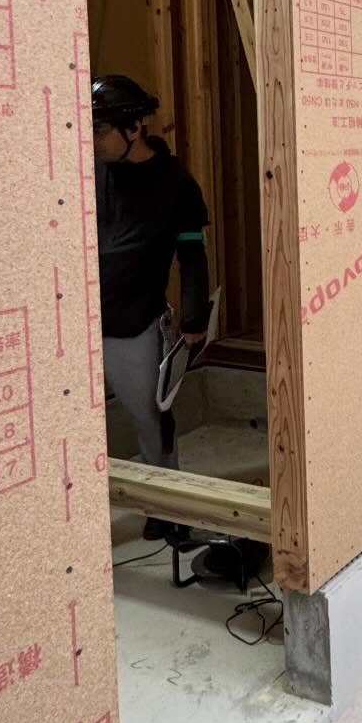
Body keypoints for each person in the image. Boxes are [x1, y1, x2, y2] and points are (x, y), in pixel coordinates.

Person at [91, 75, 209, 523]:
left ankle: (167, 509)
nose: (92, 141)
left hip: (134, 322)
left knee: (150, 417)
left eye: (100, 130)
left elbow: (192, 254)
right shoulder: (91, 175)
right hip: (81, 318)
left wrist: (194, 320)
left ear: (135, 126)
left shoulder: (174, 185)